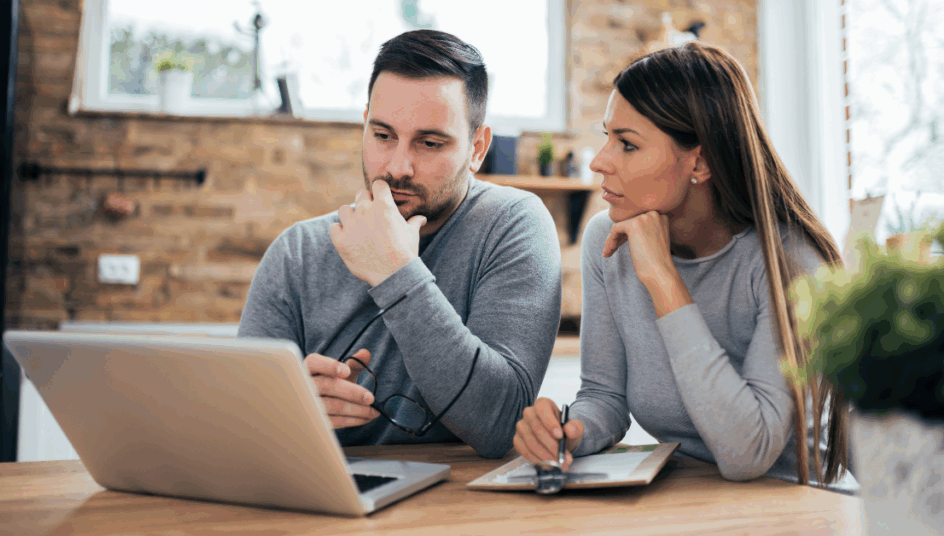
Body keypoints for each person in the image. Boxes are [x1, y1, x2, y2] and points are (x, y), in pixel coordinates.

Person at [513, 41, 858, 491]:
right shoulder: (607, 240)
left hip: (795, 501)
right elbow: (604, 397)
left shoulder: (790, 262)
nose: (599, 161)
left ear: (700, 161)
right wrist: (569, 432)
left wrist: (663, 280)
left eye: (627, 144)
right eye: (607, 137)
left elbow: (747, 454)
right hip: (689, 496)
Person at [238, 29, 562, 458]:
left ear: (477, 148)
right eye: (383, 135)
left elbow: (499, 424)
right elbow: (240, 426)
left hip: (462, 494)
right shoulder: (298, 252)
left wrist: (395, 270)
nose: (397, 167)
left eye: (429, 143)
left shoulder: (512, 225)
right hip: (330, 487)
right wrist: (285, 412)